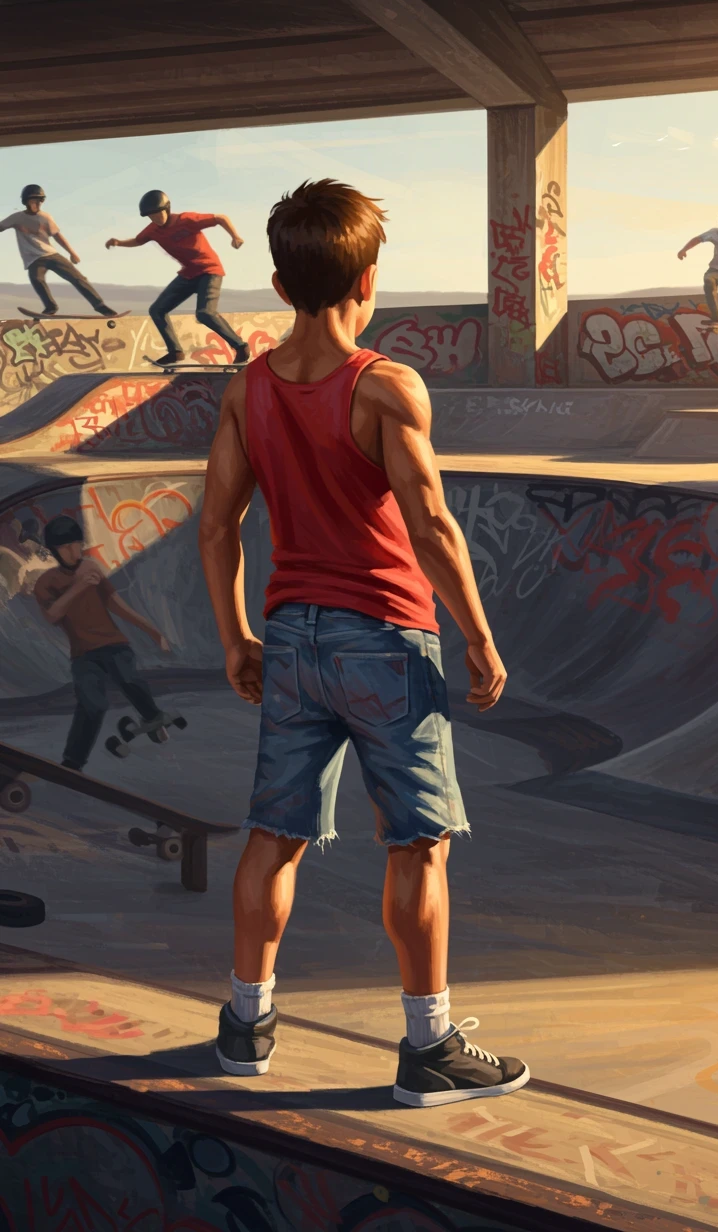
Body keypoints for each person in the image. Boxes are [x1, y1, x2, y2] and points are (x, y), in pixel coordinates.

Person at [198, 178, 529, 1107]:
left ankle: (245, 1026)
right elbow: (431, 525)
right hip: (385, 638)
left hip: (291, 639)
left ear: (278, 283)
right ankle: (430, 1047)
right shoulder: (385, 385)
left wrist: (236, 637)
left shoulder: (247, 389)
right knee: (418, 844)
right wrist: (479, 637)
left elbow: (217, 526)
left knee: (275, 835)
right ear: (368, 280)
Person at [33, 516, 171, 772]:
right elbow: (52, 615)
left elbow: (116, 605)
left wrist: (154, 633)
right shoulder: (46, 583)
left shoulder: (91, 568)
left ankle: (152, 717)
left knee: (128, 678)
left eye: (77, 545)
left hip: (114, 644)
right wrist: (79, 586)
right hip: (83, 655)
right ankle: (73, 762)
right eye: (65, 547)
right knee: (92, 705)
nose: (73, 552)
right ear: (54, 551)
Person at [105, 190, 250, 367]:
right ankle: (175, 352)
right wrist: (118, 242)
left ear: (167, 209)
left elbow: (220, 218)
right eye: (151, 216)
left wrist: (235, 236)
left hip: (209, 270)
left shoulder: (186, 220)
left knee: (205, 313)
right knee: (157, 310)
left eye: (158, 214)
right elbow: (138, 240)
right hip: (188, 274)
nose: (155, 219)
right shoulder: (152, 230)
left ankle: (241, 347)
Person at [0, 185, 118, 318]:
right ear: (26, 202)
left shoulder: (45, 217)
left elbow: (57, 236)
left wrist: (72, 253)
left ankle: (100, 306)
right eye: (34, 201)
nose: (37, 204)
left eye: (40, 201)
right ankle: (50, 307)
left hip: (51, 255)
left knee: (77, 278)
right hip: (34, 260)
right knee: (36, 279)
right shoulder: (16, 218)